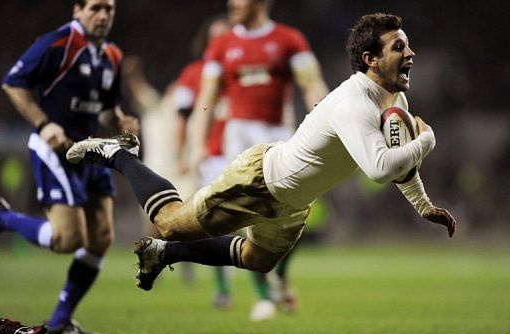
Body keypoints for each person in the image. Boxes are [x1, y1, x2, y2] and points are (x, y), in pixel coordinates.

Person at [66, 13, 457, 309]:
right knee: (168, 223)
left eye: (407, 45)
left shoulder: (394, 102)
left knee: (257, 261)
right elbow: (378, 169)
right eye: (399, 47)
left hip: (292, 201)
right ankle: (119, 155)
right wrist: (428, 139)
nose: (410, 53)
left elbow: (398, 167)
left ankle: (162, 255)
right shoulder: (354, 104)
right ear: (371, 59)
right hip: (261, 182)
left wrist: (423, 205)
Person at [0, 0, 138, 334]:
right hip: (54, 152)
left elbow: (106, 107)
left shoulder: (113, 56)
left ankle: (61, 322)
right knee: (68, 239)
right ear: (77, 11)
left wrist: (120, 119)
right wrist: (43, 123)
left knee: (102, 239)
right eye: (95, 8)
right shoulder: (56, 44)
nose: (103, 15)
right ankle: (3, 218)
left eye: (109, 9)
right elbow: (13, 83)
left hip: (91, 150)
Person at [188, 0, 329, 320]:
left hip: (281, 137)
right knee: (247, 218)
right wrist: (197, 145)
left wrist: (327, 124)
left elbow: (312, 85)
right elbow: (206, 100)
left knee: (295, 215)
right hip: (238, 143)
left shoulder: (289, 39)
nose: (232, 3)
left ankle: (279, 275)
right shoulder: (222, 46)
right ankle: (263, 295)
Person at [170, 15, 233, 304]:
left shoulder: (242, 69)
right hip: (209, 157)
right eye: (216, 36)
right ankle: (222, 289)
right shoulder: (192, 75)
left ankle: (271, 286)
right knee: (216, 221)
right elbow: (182, 118)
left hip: (242, 152)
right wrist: (181, 153)